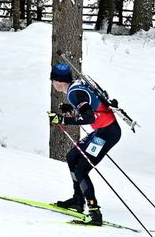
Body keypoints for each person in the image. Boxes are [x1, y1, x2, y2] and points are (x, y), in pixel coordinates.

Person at [50, 62, 120, 225]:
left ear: (59, 81)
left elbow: (89, 117)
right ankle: (77, 200)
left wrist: (62, 119)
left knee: (82, 169)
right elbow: (90, 107)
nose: (53, 84)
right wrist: (70, 110)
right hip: (102, 130)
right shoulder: (76, 87)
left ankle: (95, 213)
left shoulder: (74, 93)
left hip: (106, 133)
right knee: (72, 156)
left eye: (53, 81)